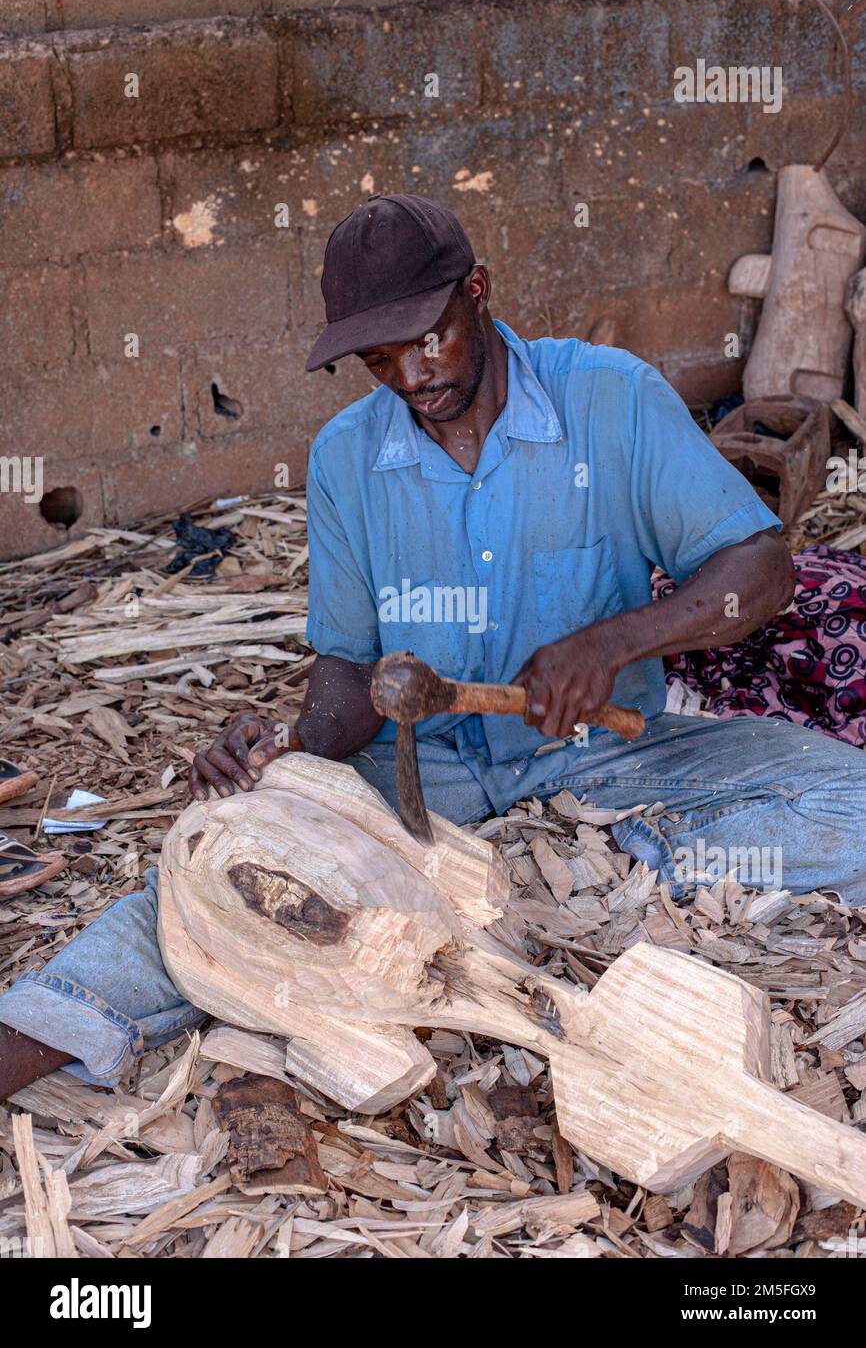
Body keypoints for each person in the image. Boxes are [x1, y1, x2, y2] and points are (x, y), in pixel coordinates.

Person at [2, 192, 865, 1103]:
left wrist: (612, 642)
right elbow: (344, 676)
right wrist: (289, 752)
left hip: (611, 766)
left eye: (428, 341)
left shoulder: (610, 398)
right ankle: (39, 1026)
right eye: (379, 360)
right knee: (201, 886)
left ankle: (578, 885)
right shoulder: (345, 458)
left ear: (478, 293)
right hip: (419, 781)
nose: (411, 378)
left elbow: (762, 569)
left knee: (847, 801)